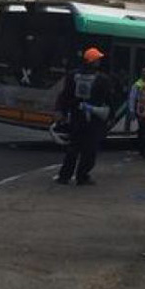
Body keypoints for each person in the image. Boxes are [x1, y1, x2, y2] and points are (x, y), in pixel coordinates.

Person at [55, 47, 113, 186]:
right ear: (94, 62)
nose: (99, 61)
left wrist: (62, 112)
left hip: (76, 117)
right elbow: (109, 99)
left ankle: (65, 176)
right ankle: (82, 176)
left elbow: (64, 95)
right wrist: (111, 115)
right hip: (93, 119)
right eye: (98, 59)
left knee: (73, 148)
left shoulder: (72, 76)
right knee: (89, 150)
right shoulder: (102, 79)